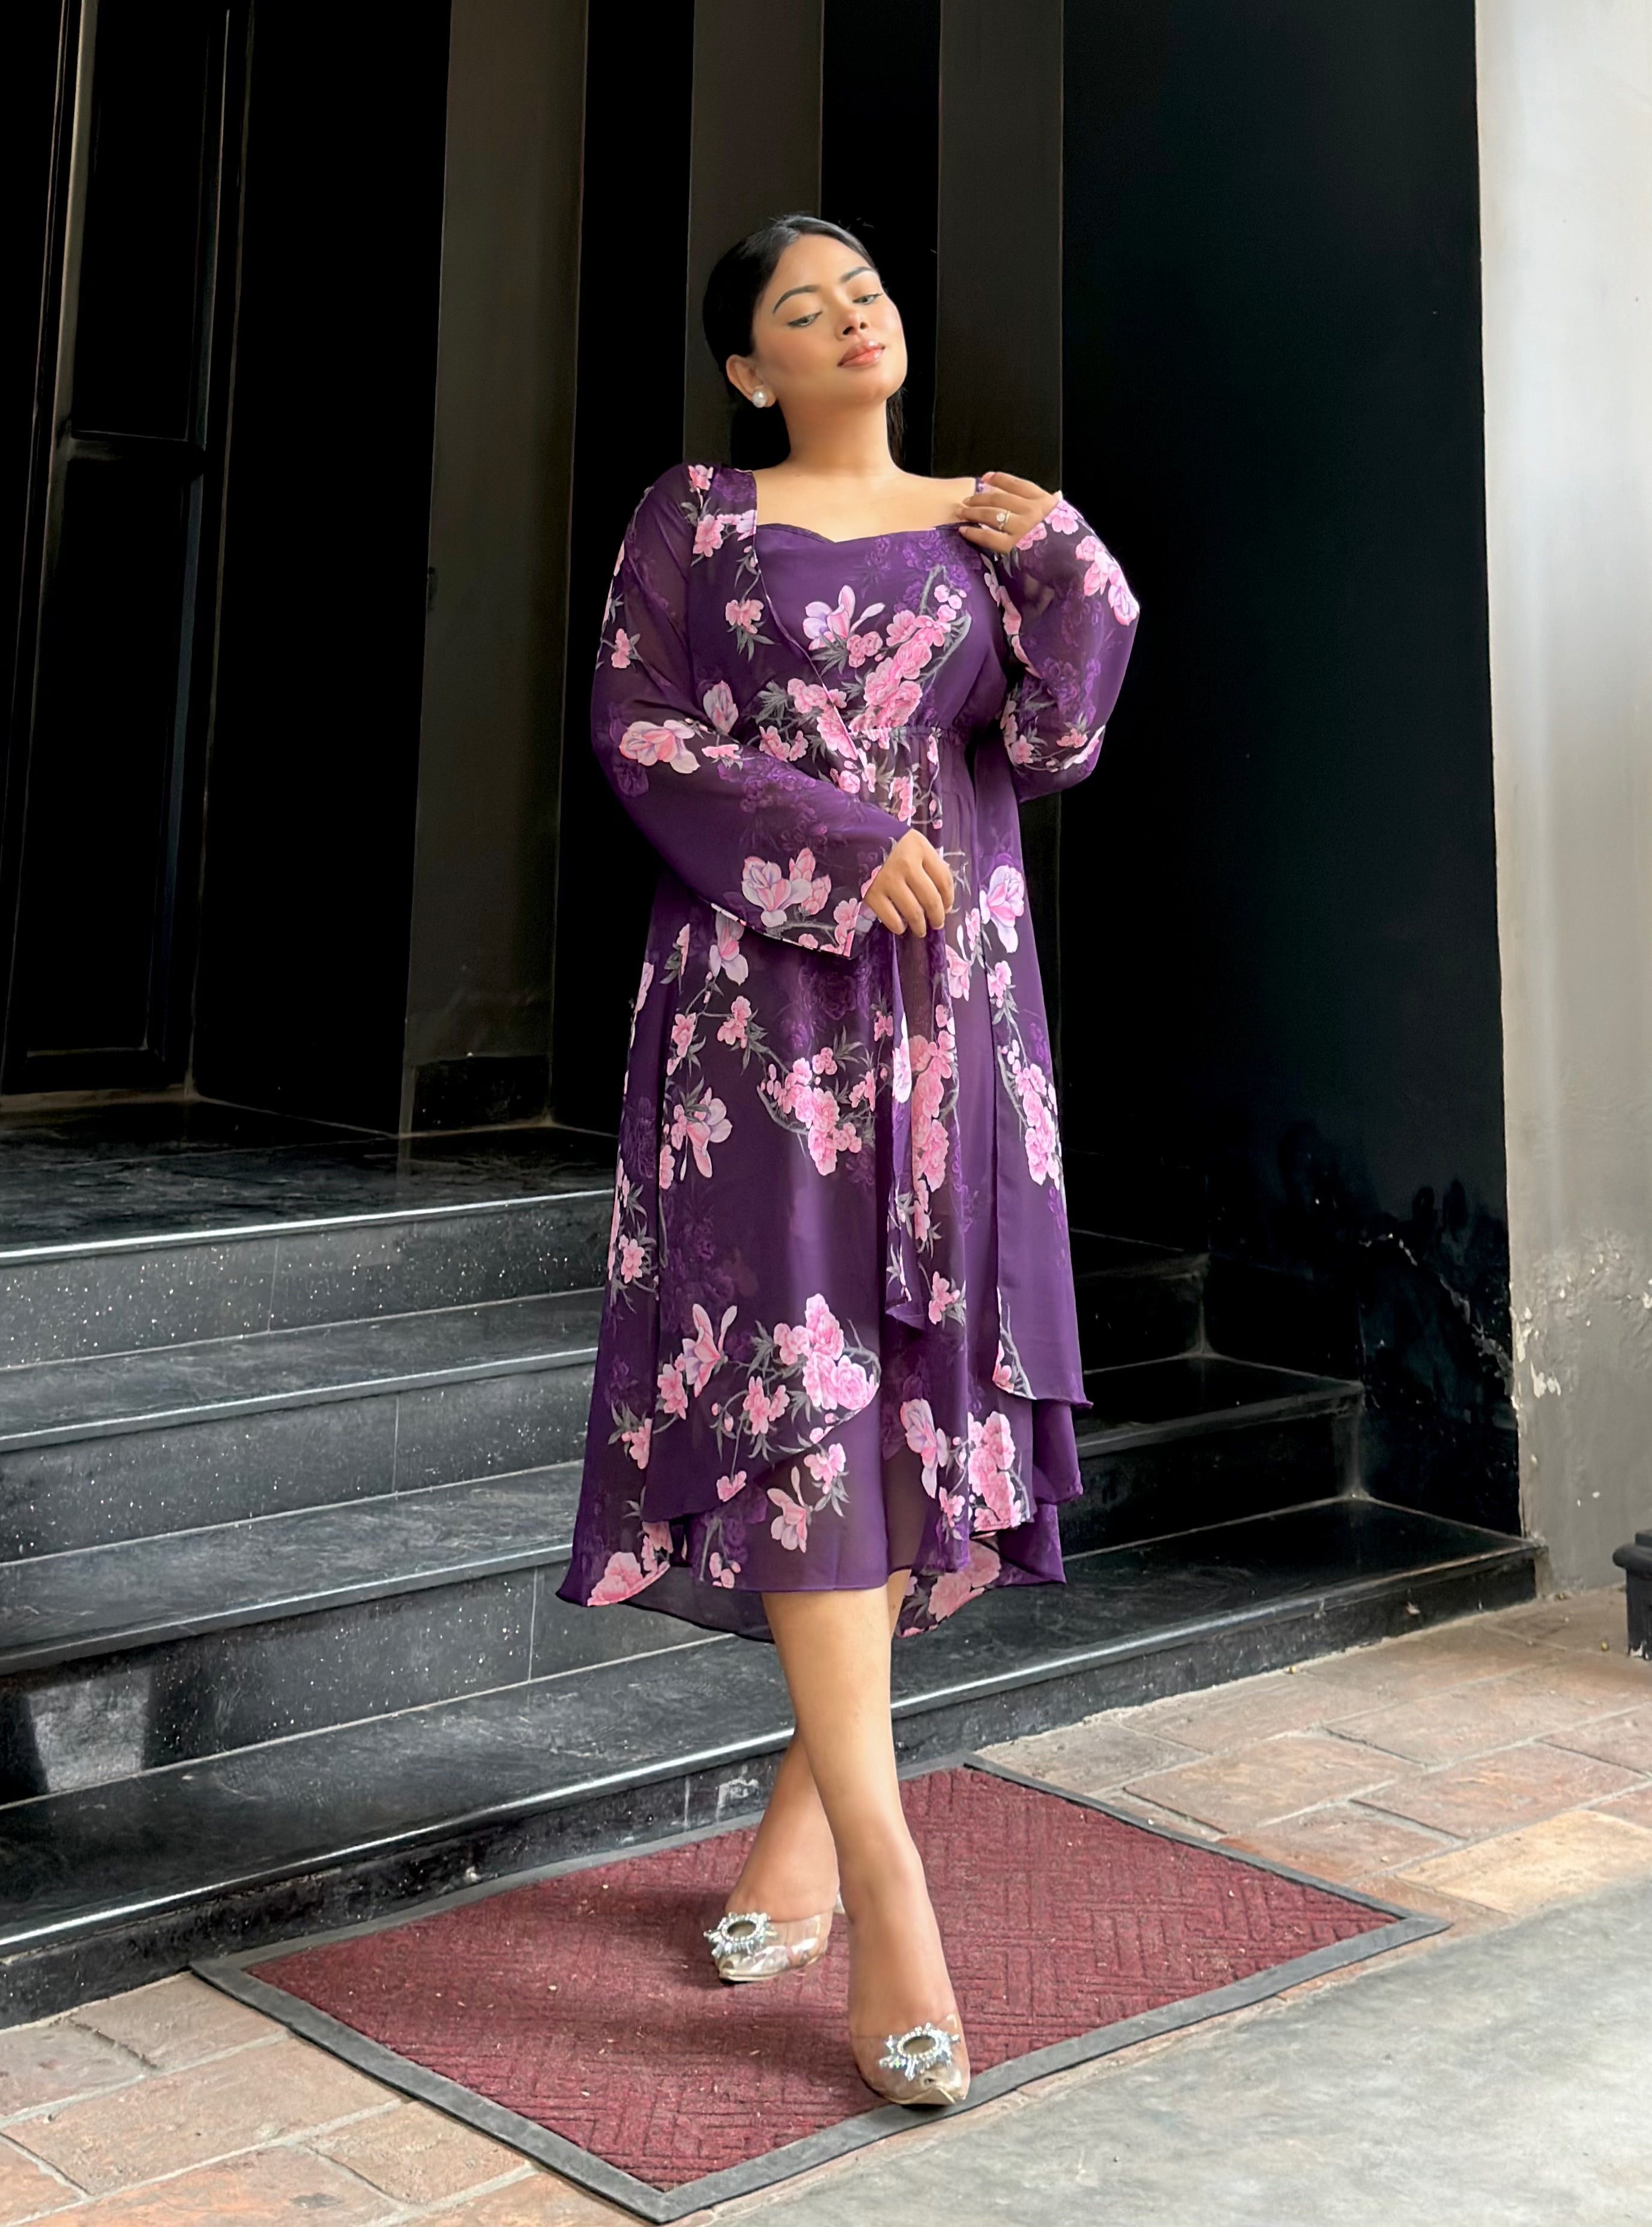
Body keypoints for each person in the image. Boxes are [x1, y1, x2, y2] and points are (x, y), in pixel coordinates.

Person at [558, 212, 1138, 2106]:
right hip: (762, 1018)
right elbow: (637, 728)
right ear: (753, 367)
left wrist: (1063, 559)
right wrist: (828, 834)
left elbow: (1054, 737)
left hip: (957, 1011)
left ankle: (806, 1823)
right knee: (802, 1391)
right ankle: (893, 1886)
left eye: (864, 289)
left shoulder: (984, 525)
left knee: (907, 1397)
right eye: (802, 309)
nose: (849, 317)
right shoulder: (698, 519)